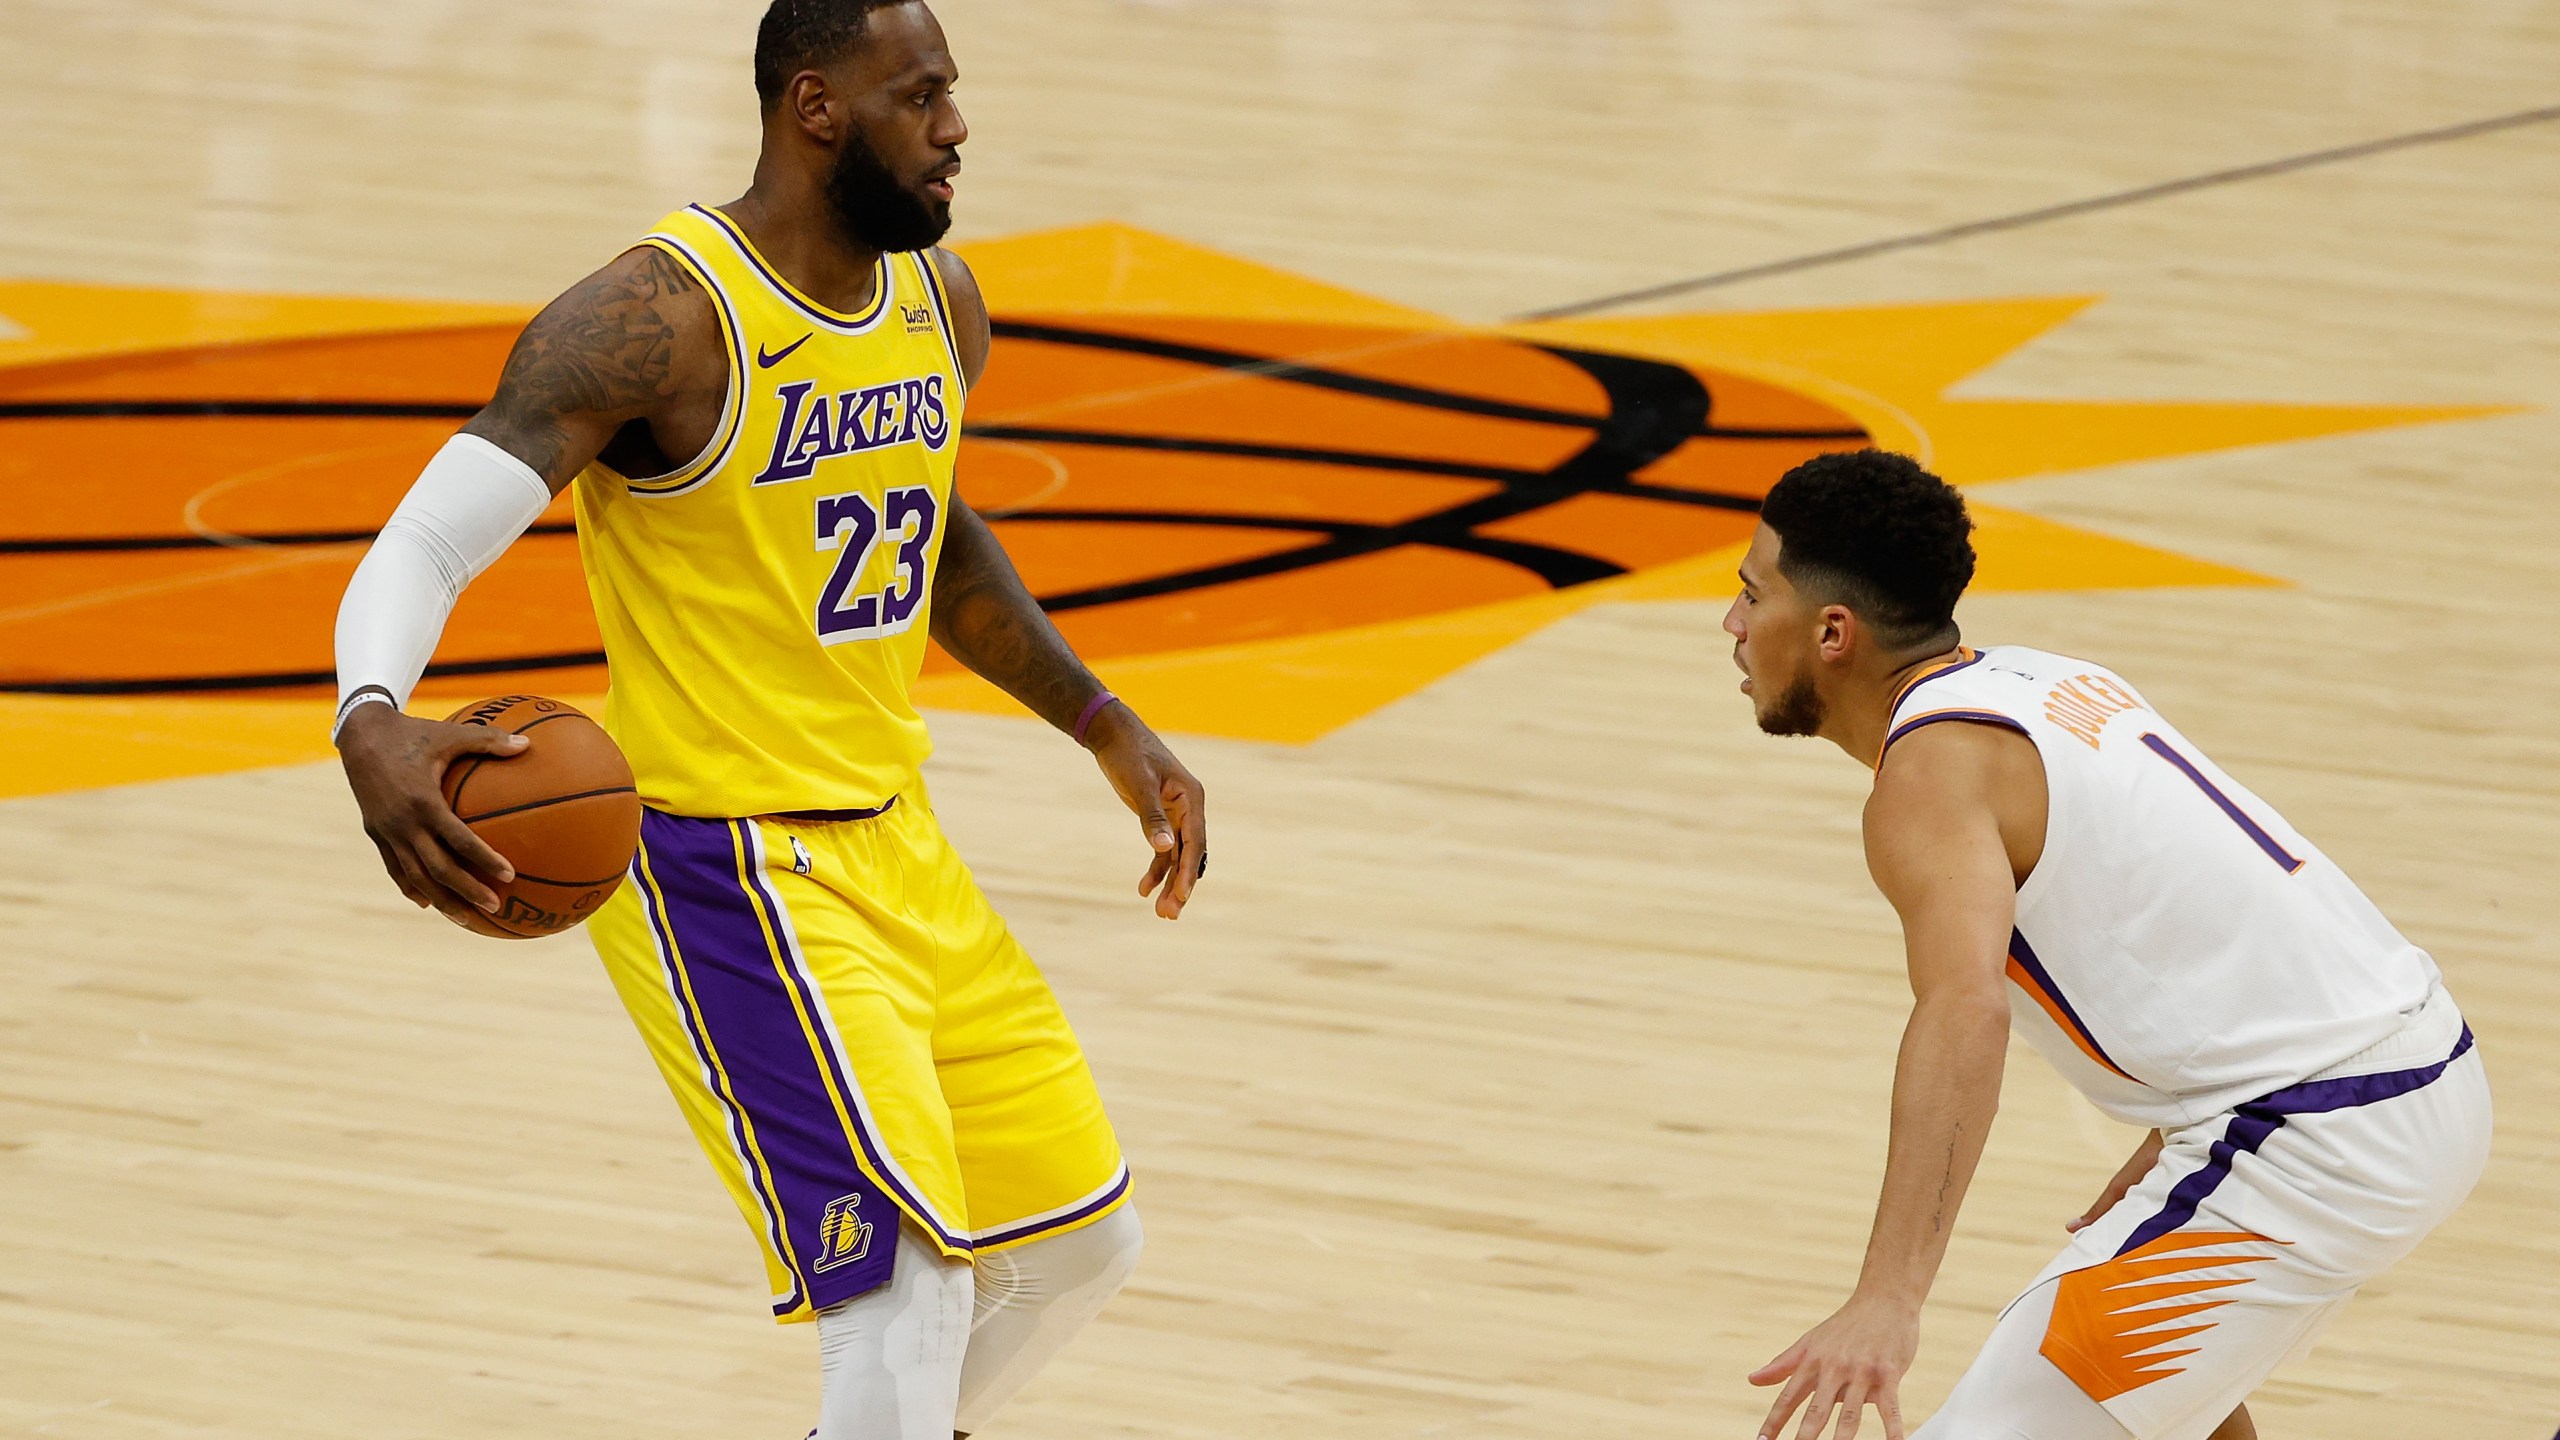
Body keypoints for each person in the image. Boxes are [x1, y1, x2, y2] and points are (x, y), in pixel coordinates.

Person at [327, 4, 1206, 1435]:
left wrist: (1101, 719)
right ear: (815, 108)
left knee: (1076, 1249)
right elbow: (426, 543)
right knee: (904, 1297)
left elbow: (934, 531)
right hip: (722, 866)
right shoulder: (656, 321)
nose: (957, 130)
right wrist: (371, 716)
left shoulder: (941, 307)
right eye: (920, 98)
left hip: (895, 841)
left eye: (953, 96)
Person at [1722, 450, 2488, 1440]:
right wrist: (2177, 1125)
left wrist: (1887, 1299)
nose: (1733, 624)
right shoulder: (2047, 681)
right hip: (2401, 1073)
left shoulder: (1928, 779)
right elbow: (2205, 913)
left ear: (1833, 632)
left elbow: (1964, 1012)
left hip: (2320, 1136)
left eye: (1752, 593)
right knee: (2159, 1399)